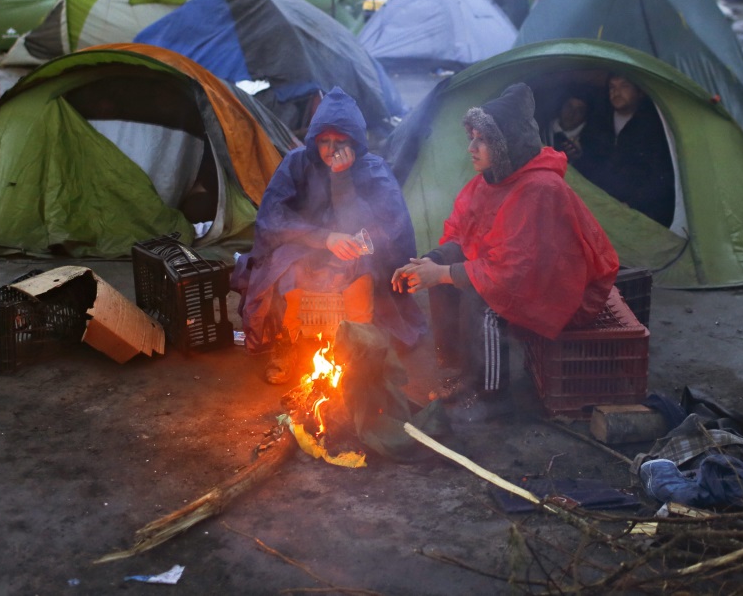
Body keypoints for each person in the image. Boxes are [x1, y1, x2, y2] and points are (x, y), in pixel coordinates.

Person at [392, 83, 619, 406]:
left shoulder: (539, 189)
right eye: (471, 137)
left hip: (564, 292)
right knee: (446, 270)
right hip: (519, 275)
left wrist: (444, 272)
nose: (471, 147)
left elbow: (513, 274)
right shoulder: (493, 178)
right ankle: (457, 368)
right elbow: (461, 234)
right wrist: (428, 262)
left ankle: (489, 395)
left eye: (481, 140)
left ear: (505, 144)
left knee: (481, 298)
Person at [234, 87, 425, 384]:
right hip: (306, 246)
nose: (331, 150)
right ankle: (289, 343)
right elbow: (272, 219)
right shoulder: (298, 162)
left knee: (363, 273)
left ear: (354, 142)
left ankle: (359, 344)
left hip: (357, 256)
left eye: (340, 142)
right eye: (324, 141)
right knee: (283, 265)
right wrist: (323, 238)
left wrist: (342, 180)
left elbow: (389, 232)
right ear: (314, 141)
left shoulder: (373, 170)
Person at [582, 74, 676, 226]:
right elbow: (590, 161)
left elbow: (661, 175)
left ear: (640, 92)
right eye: (612, 87)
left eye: (624, 86)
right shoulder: (598, 122)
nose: (616, 92)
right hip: (600, 209)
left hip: (640, 213)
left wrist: (633, 204)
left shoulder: (654, 127)